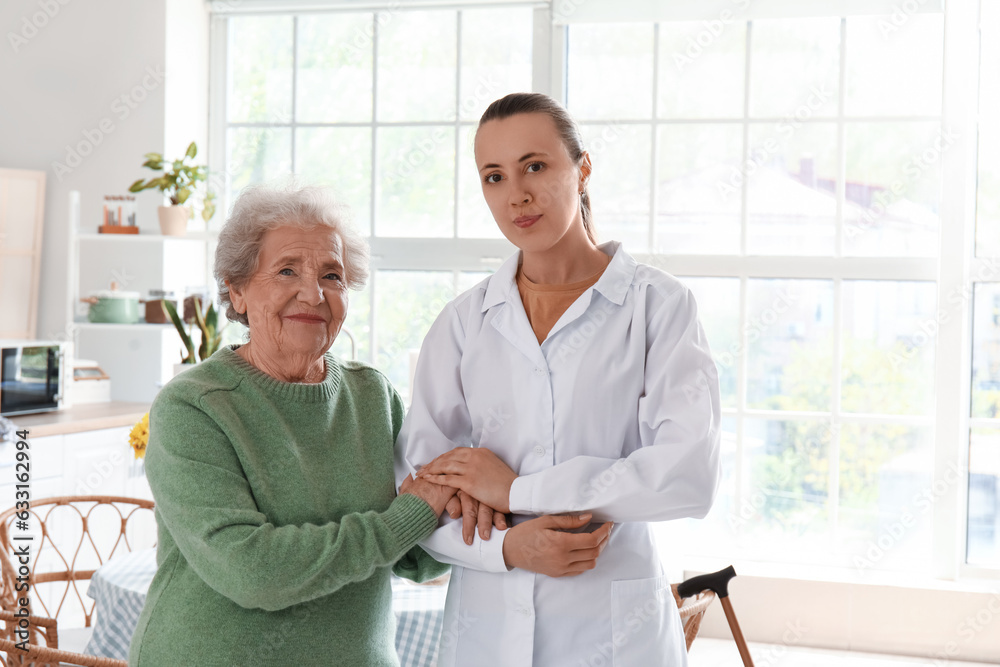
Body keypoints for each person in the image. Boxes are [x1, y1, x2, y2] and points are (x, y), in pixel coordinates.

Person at [395, 93, 721, 666]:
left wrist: (516, 491)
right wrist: (510, 549)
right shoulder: (463, 325)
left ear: (583, 169)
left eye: (535, 166)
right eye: (493, 176)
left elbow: (687, 476)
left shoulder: (658, 307)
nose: (516, 193)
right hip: (484, 635)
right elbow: (419, 496)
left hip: (616, 634)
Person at [130, 184, 455, 666]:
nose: (313, 293)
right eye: (287, 271)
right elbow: (254, 572)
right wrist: (410, 515)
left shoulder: (373, 397)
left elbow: (414, 555)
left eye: (332, 275)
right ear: (237, 290)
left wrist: (463, 498)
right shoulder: (193, 405)